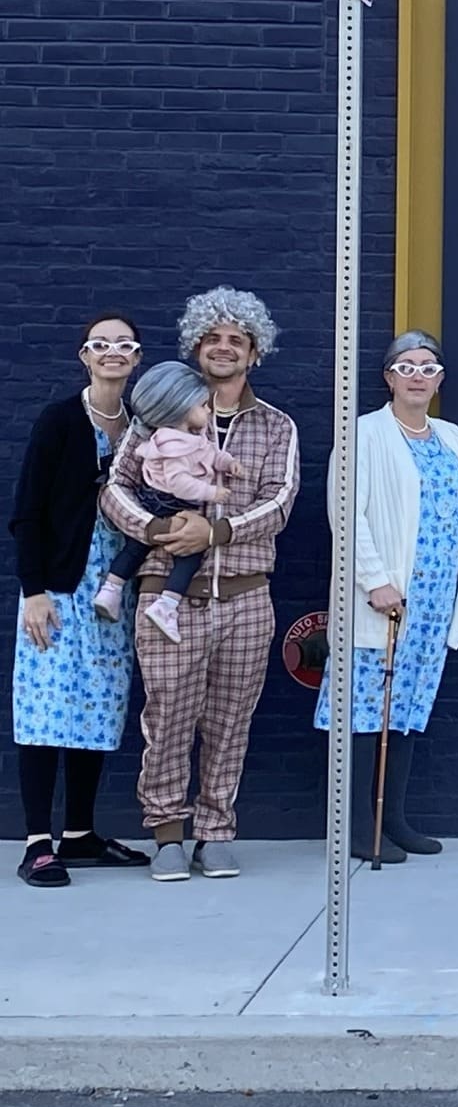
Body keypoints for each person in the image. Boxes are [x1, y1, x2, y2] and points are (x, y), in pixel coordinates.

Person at [101, 287, 298, 884]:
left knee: (230, 721)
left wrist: (215, 532)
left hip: (245, 597)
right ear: (195, 346)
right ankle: (165, 834)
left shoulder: (276, 426)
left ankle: (215, 833)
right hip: (169, 596)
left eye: (236, 340)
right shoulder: (153, 419)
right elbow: (114, 491)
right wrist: (161, 527)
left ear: (254, 354)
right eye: (212, 338)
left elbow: (281, 502)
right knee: (167, 718)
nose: (223, 348)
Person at [315, 331, 458, 863]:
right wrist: (374, 581)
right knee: (365, 712)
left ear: (440, 381)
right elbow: (346, 512)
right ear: (388, 377)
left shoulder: (453, 439)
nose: (418, 375)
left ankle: (393, 818)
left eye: (428, 367)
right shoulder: (364, 434)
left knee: (407, 711)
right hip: (383, 603)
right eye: (406, 366)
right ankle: (354, 826)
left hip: (435, 603)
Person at [9, 314, 150, 886]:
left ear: (137, 358)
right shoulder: (60, 420)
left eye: (124, 345)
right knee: (45, 710)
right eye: (101, 345)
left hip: (115, 593)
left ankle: (81, 834)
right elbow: (27, 512)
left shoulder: (143, 427)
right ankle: (38, 842)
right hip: (60, 590)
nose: (112, 353)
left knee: (98, 708)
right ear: (84, 357)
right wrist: (33, 591)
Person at [93, 362, 243, 645]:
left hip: (155, 503)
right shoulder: (174, 445)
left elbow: (211, 455)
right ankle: (167, 606)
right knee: (189, 557)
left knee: (135, 548)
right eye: (202, 405)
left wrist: (230, 463)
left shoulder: (187, 437)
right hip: (170, 503)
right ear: (181, 409)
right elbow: (179, 482)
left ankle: (110, 590)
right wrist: (212, 493)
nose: (208, 411)